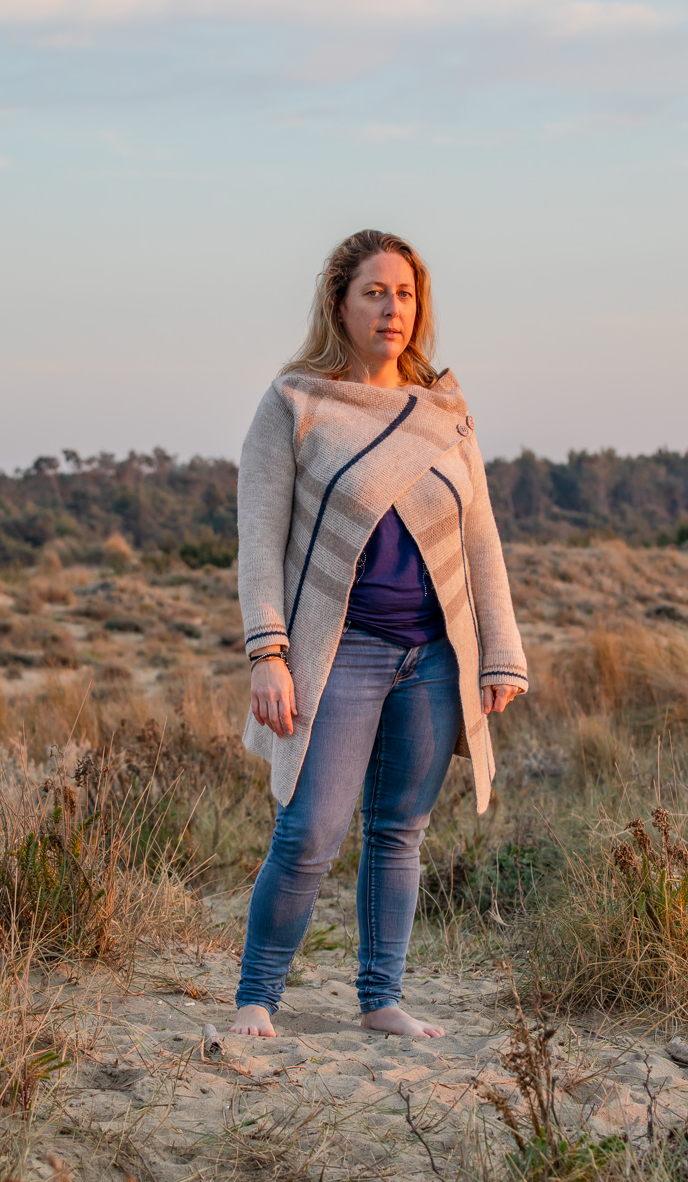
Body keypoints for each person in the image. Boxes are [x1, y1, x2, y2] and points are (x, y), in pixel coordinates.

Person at [230, 229, 528, 1040]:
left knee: (399, 835)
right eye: (374, 292)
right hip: (341, 652)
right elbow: (260, 540)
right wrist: (268, 653)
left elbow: (479, 536)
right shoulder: (295, 403)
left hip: (433, 657)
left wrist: (499, 654)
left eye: (405, 294)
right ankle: (257, 996)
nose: (392, 308)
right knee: (310, 833)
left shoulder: (446, 412)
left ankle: (380, 999)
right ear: (340, 303)